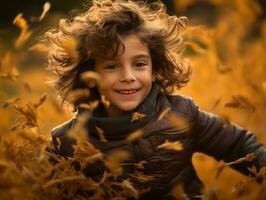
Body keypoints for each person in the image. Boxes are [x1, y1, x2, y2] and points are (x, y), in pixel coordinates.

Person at [44, 0, 266, 199]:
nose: (128, 77)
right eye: (112, 66)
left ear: (154, 67)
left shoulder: (181, 113)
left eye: (139, 64)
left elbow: (238, 144)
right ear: (89, 75)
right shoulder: (66, 142)